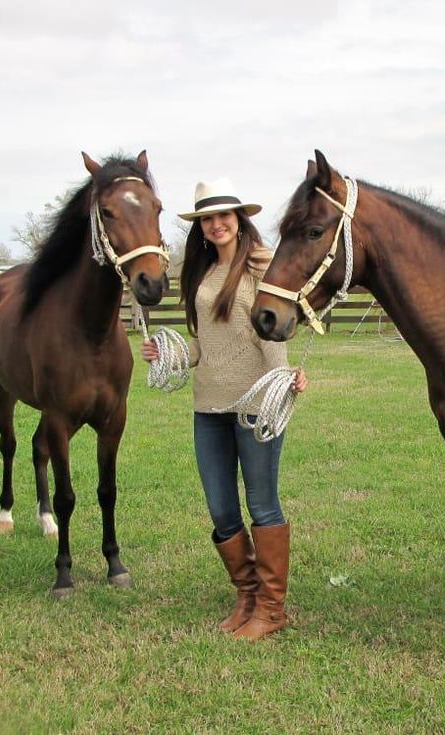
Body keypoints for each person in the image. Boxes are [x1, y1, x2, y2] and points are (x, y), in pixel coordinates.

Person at [141, 178, 306, 640]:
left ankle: (272, 610)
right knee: (220, 508)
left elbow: (275, 330)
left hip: (257, 406)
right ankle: (247, 596)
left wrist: (285, 380)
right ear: (201, 227)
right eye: (207, 219)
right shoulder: (200, 273)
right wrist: (170, 354)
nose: (216, 225)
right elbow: (203, 344)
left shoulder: (263, 265)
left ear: (239, 220)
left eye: (223, 217)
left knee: (262, 503)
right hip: (208, 406)